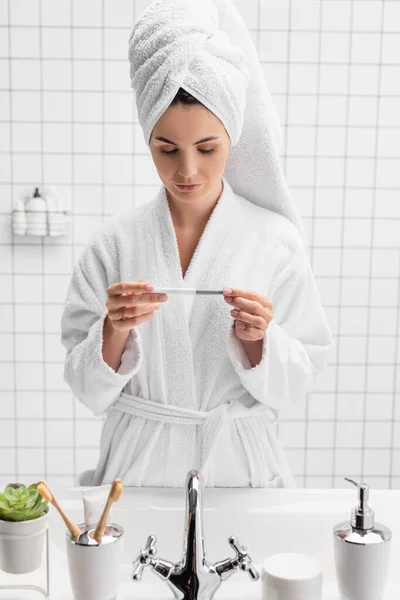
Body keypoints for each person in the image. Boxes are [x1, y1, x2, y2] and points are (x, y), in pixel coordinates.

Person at [61, 0, 333, 488]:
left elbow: (299, 382)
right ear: (148, 139)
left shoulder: (275, 240)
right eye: (166, 149)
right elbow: (86, 390)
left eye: (207, 148)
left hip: (238, 474)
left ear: (233, 136)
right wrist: (112, 333)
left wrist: (259, 343)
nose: (187, 171)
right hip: (137, 475)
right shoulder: (112, 245)